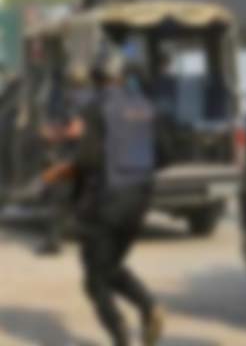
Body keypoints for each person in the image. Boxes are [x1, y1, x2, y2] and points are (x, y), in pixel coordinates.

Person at [30, 49, 165, 346]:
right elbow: (163, 153)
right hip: (141, 200)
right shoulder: (145, 106)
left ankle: (122, 334)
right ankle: (148, 307)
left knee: (94, 280)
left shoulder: (96, 107)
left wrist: (53, 175)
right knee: (111, 267)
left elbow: (86, 160)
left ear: (95, 77)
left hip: (108, 204)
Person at [36, 60, 95, 255]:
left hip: (73, 155)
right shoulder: (94, 97)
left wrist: (52, 134)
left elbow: (75, 130)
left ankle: (53, 243)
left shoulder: (73, 99)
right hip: (93, 155)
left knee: (58, 197)